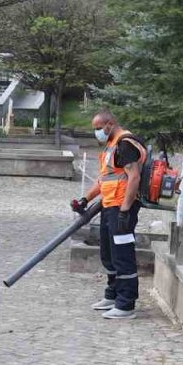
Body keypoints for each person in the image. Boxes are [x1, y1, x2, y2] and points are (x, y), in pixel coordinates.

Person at [72, 111, 144, 320]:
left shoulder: (126, 144)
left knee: (122, 255)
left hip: (122, 208)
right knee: (108, 253)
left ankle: (126, 304)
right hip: (109, 205)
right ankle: (112, 295)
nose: (96, 133)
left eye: (98, 128)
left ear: (110, 124)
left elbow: (134, 178)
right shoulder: (112, 146)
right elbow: (105, 179)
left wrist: (125, 210)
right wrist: (85, 199)